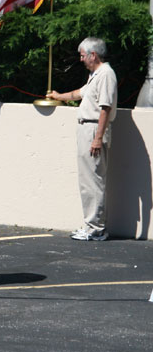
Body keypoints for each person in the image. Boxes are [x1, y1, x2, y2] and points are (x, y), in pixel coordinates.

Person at [47, 37, 117, 241]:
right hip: (87, 128)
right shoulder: (96, 75)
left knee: (93, 180)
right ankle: (92, 224)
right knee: (88, 180)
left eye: (83, 55)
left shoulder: (105, 74)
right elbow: (80, 93)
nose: (81, 59)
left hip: (94, 128)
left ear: (93, 55)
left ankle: (95, 228)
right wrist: (59, 96)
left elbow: (105, 107)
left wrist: (98, 138)